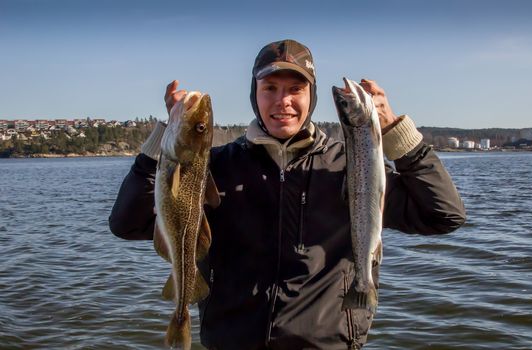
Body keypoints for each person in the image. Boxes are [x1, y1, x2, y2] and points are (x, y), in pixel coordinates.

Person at [109, 39, 466, 350]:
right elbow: (127, 224)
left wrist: (393, 131)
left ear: (310, 97)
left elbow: (442, 215)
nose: (284, 101)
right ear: (255, 95)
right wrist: (163, 140)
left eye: (295, 89)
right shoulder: (213, 166)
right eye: (271, 88)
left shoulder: (351, 168)